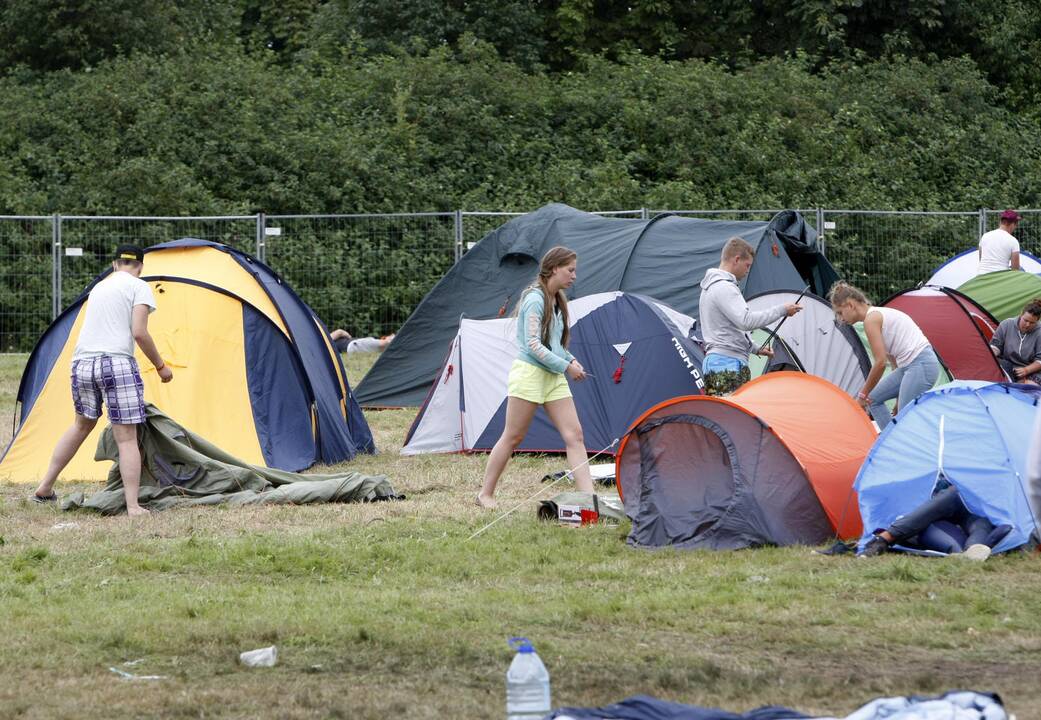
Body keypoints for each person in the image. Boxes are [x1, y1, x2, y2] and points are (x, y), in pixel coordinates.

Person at [30, 244, 173, 517]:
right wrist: (161, 366)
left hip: (82, 363)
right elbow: (140, 333)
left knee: (81, 425)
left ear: (115, 263)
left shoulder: (99, 288)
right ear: (140, 267)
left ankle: (45, 488)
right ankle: (133, 507)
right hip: (116, 363)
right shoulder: (138, 286)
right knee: (127, 437)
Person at [477, 246, 593, 509]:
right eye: (570, 270)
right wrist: (566, 366)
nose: (574, 276)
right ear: (554, 269)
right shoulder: (534, 299)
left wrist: (570, 359)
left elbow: (553, 343)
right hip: (529, 375)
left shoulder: (557, 300)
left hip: (553, 377)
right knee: (513, 437)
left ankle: (589, 499)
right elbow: (532, 345)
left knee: (575, 436)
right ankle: (485, 494)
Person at [698, 237, 802, 396]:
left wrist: (755, 348)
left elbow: (728, 327)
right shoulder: (724, 288)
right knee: (732, 417)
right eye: (747, 266)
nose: (748, 271)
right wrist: (782, 309)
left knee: (728, 416)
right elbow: (746, 321)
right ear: (736, 259)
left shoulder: (712, 287)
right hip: (727, 364)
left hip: (721, 362)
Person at [830, 281, 939, 430]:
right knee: (874, 400)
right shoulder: (875, 317)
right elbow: (893, 360)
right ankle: (891, 442)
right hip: (910, 366)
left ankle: (900, 444)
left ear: (850, 305)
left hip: (921, 364)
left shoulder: (871, 319)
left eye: (840, 312)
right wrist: (898, 398)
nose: (841, 319)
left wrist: (862, 395)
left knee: (904, 419)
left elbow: (880, 363)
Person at [860, 481, 1012, 561]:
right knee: (952, 494)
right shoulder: (933, 442)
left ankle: (973, 551)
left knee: (981, 524)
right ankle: (884, 539)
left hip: (977, 507)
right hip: (939, 504)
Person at [989, 299, 1041, 384]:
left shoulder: (1039, 332)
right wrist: (990, 355)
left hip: (1031, 370)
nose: (1027, 325)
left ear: (1037, 321)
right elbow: (995, 346)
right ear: (1021, 315)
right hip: (1008, 366)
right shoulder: (1006, 324)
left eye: (1032, 323)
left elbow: (1040, 361)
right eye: (1025, 320)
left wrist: (1026, 370)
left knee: (1030, 386)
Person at [977, 209, 1022, 275]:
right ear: (1012, 224)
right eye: (1016, 224)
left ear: (1001, 222)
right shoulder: (1013, 241)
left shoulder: (985, 236)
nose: (1016, 226)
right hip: (1000, 279)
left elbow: (981, 259)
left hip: (981, 276)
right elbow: (1015, 270)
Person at [330, 328, 394, 354]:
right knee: (383, 344)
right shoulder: (323, 341)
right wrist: (348, 336)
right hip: (353, 345)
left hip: (353, 346)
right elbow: (339, 332)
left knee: (380, 346)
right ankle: (395, 339)